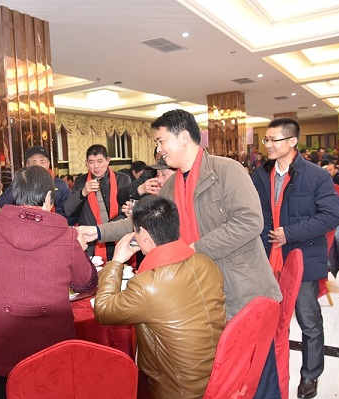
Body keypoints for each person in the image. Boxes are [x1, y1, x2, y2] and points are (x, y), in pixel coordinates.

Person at [81, 110, 282, 319]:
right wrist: (97, 232)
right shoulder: (170, 185)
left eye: (161, 141)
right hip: (202, 289)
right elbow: (142, 220)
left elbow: (249, 222)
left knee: (250, 341)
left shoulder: (226, 170)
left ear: (184, 137)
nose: (159, 150)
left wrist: (195, 249)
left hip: (242, 288)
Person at [0, 165, 97, 399]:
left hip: (1, 344)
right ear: (49, 197)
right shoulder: (67, 236)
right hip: (51, 345)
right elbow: (86, 283)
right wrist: (81, 250)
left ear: (16, 194)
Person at [94, 196, 226, 399]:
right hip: (218, 375)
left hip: (177, 389)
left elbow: (102, 310)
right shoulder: (206, 262)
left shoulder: (147, 285)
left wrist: (116, 261)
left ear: (145, 235)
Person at [252, 118, 339, 399]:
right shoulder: (260, 175)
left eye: (273, 140)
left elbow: (331, 216)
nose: (267, 145)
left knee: (308, 320)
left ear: (292, 141)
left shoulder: (316, 176)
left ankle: (310, 375)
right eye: (266, 140)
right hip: (265, 258)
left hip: (301, 257)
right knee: (264, 318)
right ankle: (264, 372)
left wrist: (289, 234)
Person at [64, 145, 131, 261]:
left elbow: (128, 210)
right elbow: (68, 210)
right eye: (91, 162)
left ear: (108, 160)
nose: (96, 166)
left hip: (118, 236)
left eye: (100, 161)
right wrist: (83, 192)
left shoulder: (123, 179)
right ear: (86, 163)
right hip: (91, 242)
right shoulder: (81, 181)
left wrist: (106, 229)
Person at [0, 146, 72, 224]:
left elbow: (69, 211)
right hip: (25, 226)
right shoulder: (21, 183)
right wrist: (20, 183)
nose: (39, 166)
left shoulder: (60, 185)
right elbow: (2, 203)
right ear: (27, 165)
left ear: (48, 163)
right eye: (34, 163)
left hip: (54, 225)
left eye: (42, 162)